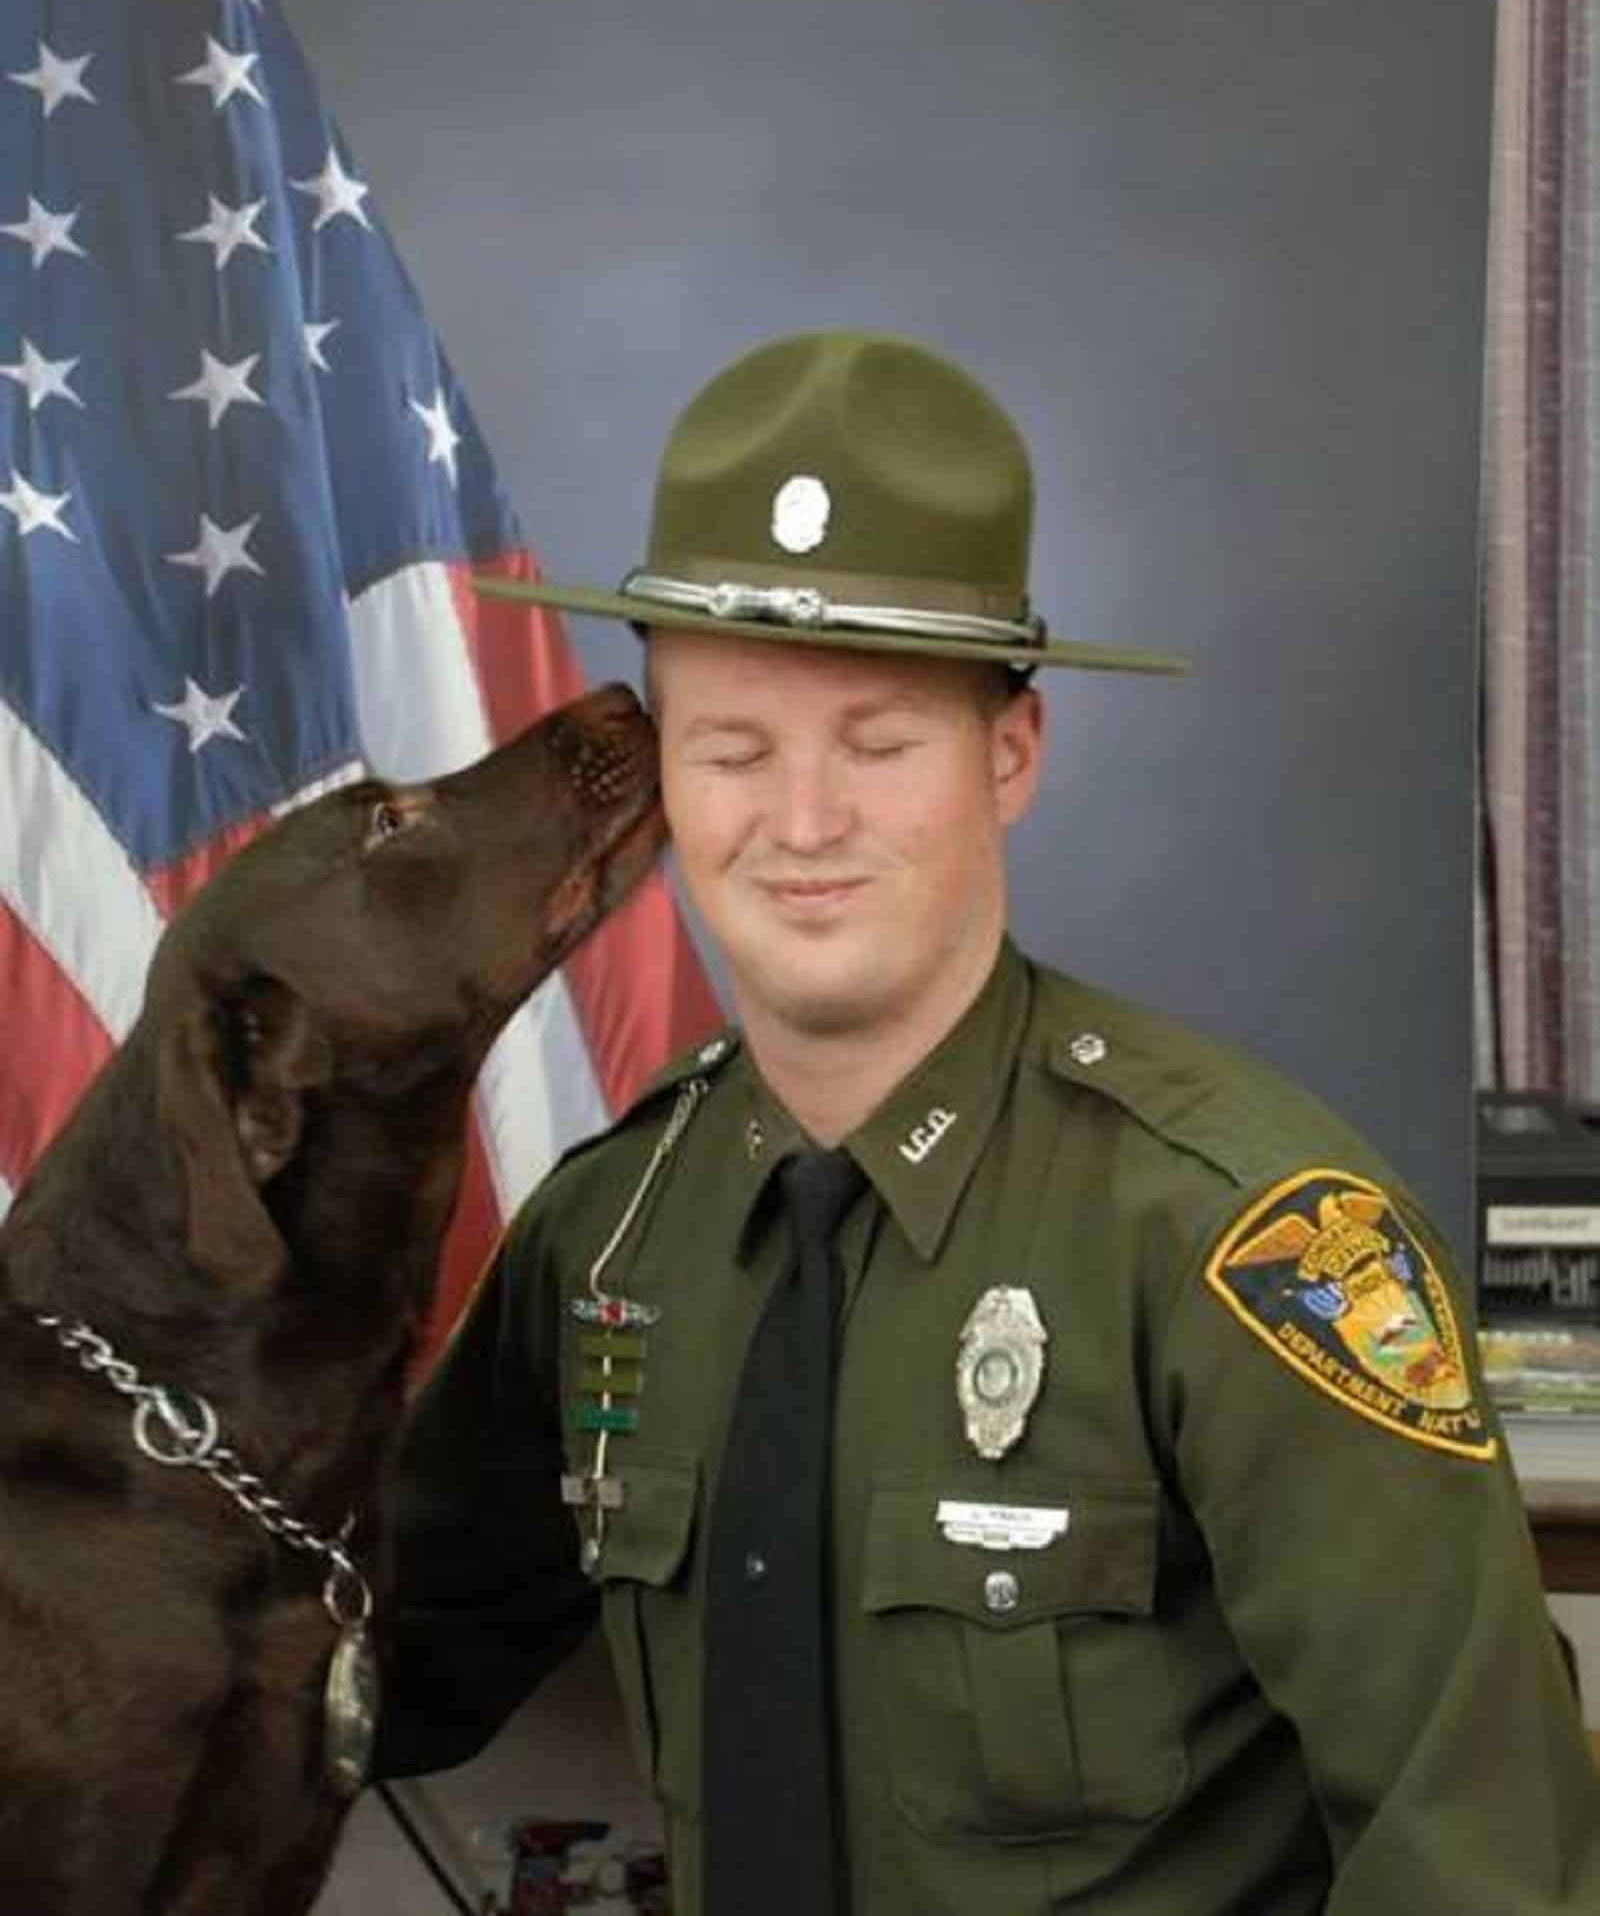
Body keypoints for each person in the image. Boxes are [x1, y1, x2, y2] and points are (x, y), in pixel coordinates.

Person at [376, 332, 1600, 1914]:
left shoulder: (1249, 1239)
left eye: (879, 745)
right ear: (661, 780)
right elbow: (366, 1677)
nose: (802, 821)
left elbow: (1484, 1864)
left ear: (1008, 757)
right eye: (733, 749)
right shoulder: (614, 1233)